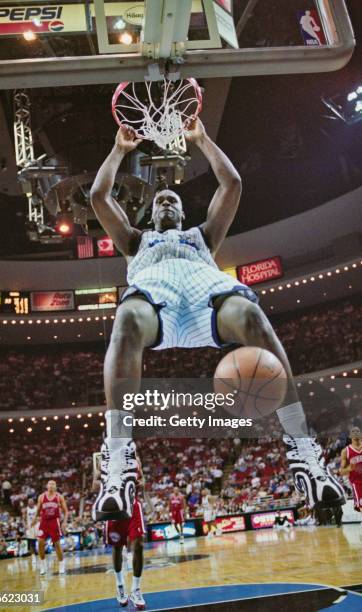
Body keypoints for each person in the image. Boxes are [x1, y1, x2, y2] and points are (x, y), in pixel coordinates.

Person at [90, 117, 345, 522]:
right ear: (150, 213)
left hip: (205, 296)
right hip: (156, 299)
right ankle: (118, 464)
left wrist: (203, 140)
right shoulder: (135, 240)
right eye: (160, 201)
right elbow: (99, 195)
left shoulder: (202, 236)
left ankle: (304, 450)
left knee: (252, 316)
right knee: (126, 321)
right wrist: (120, 151)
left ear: (183, 210)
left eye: (173, 200)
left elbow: (233, 185)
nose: (167, 202)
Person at [93, 454, 152, 609]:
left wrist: (140, 483)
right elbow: (94, 486)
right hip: (113, 510)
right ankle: (120, 585)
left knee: (138, 545)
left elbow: (143, 481)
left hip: (132, 507)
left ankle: (136, 589)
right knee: (117, 548)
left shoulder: (135, 459)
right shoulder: (105, 461)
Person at [33, 480, 68, 575]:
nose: (51, 485)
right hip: (43, 522)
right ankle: (43, 564)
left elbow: (66, 511)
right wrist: (34, 519)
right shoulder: (41, 496)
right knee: (40, 542)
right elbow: (38, 510)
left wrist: (64, 522)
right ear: (47, 486)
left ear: (56, 487)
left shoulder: (59, 497)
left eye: (53, 484)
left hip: (54, 521)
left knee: (57, 544)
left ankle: (61, 564)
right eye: (50, 484)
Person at [340, 427, 362, 512]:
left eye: (357, 431)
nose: (356, 432)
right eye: (353, 431)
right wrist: (349, 468)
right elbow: (342, 471)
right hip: (356, 483)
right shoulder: (346, 451)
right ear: (350, 436)